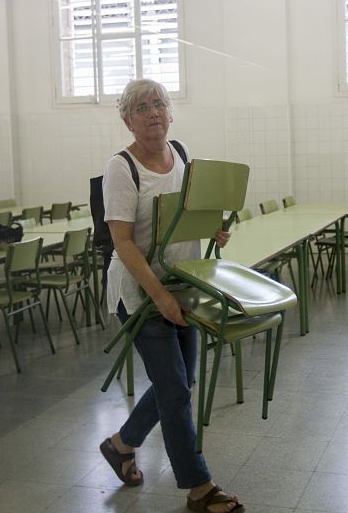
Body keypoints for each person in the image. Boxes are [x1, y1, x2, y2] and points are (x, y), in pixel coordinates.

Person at [100, 79, 244, 513]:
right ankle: (199, 488)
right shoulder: (121, 168)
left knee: (180, 383)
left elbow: (188, 216)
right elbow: (123, 244)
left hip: (182, 285)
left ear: (171, 111)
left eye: (159, 103)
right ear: (128, 119)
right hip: (140, 293)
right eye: (141, 107)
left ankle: (121, 445)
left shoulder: (180, 155)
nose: (153, 112)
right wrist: (159, 295)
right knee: (176, 391)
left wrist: (214, 228)